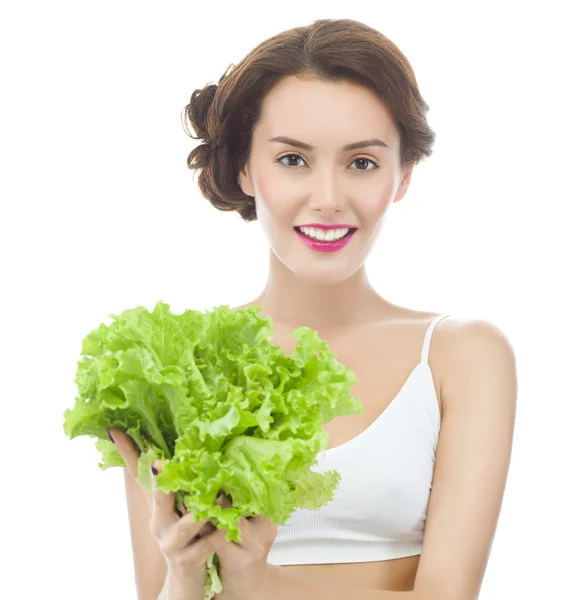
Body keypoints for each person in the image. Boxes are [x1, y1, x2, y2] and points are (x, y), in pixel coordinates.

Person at [109, 17, 517, 600]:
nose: (328, 199)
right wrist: (184, 577)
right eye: (293, 160)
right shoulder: (175, 365)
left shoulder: (461, 356)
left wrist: (259, 583)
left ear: (403, 174)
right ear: (246, 169)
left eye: (362, 163)